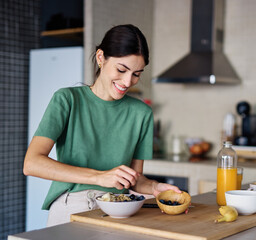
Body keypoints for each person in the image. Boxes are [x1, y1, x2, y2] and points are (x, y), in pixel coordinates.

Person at [23, 24, 181, 227]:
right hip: (73, 206)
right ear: (101, 57)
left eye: (136, 73)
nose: (128, 81)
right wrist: (100, 177)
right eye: (121, 69)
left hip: (120, 210)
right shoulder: (67, 100)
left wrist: (154, 187)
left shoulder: (141, 113)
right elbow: (32, 163)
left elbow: (134, 179)